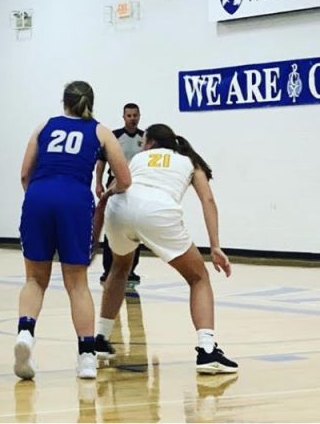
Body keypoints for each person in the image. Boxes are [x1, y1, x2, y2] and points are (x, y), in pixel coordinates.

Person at [95, 123, 238, 374]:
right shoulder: (189, 162)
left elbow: (114, 188)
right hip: (158, 211)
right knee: (198, 278)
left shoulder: (139, 158)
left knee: (119, 268)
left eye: (143, 142)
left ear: (149, 143)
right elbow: (208, 200)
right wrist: (215, 245)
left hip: (119, 209)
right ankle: (207, 352)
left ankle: (100, 340)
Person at [14, 81, 130, 381]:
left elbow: (25, 172)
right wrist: (107, 194)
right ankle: (87, 358)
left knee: (34, 278)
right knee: (77, 283)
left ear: (63, 102)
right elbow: (125, 177)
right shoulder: (101, 131)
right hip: (75, 200)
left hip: (39, 196)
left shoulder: (44, 126)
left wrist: (38, 194)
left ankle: (26, 333)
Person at [94, 103, 145, 287]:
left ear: (139, 116)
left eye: (135, 115)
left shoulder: (145, 138)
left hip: (137, 188)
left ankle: (131, 270)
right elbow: (101, 161)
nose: (132, 118)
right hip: (114, 186)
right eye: (129, 115)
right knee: (112, 227)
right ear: (123, 117)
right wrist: (99, 183)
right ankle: (108, 270)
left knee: (134, 228)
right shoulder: (114, 137)